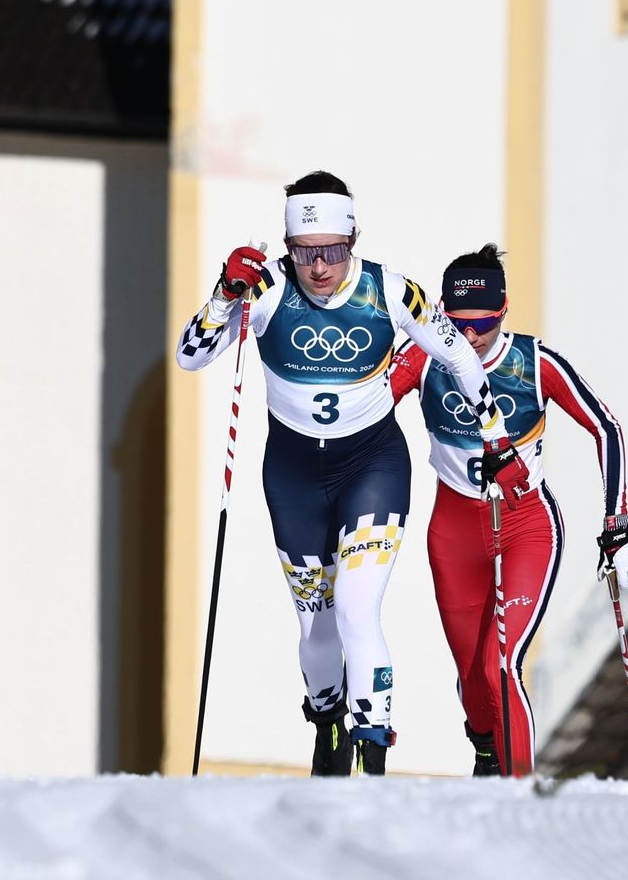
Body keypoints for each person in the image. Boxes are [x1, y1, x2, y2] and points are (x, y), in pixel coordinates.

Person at [175, 173, 531, 777]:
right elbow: (192, 355)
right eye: (306, 252)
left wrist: (493, 428)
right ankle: (327, 719)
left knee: (358, 609)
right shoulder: (265, 289)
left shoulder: (390, 291)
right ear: (288, 246)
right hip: (293, 476)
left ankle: (372, 748)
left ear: (354, 239)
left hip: (371, 466)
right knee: (316, 626)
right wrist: (222, 294)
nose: (320, 267)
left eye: (334, 250)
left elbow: (457, 353)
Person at [388, 243, 628, 777]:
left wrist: (615, 521)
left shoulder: (535, 361)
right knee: (473, 679)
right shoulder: (424, 355)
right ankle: (484, 748)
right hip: (454, 532)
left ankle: (519, 797)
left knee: (500, 666)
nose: (469, 337)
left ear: (502, 312)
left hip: (525, 526)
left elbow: (606, 428)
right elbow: (362, 409)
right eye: (456, 323)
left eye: (481, 323)